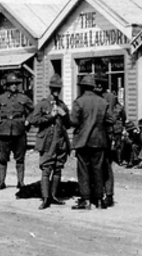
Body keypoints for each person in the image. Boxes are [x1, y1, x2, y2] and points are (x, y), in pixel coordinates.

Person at [70, 74, 114, 210]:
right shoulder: (102, 101)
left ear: (82, 87)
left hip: (83, 140)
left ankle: (86, 200)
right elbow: (111, 120)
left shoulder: (79, 102)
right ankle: (99, 200)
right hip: (100, 140)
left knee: (84, 170)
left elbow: (74, 121)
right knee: (98, 170)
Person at [27, 74, 70, 210]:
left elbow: (69, 124)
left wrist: (65, 115)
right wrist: (49, 117)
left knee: (58, 169)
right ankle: (45, 198)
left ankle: (54, 195)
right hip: (47, 142)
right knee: (46, 169)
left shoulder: (63, 105)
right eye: (54, 88)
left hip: (60, 142)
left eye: (59, 89)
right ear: (50, 89)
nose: (57, 91)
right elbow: (34, 120)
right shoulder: (42, 104)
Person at [0, 73, 34, 194]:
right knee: (3, 158)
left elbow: (34, 110)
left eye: (16, 84)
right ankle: (1, 182)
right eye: (11, 84)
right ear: (7, 86)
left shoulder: (23, 98)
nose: (14, 86)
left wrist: (28, 120)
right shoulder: (0, 98)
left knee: (20, 158)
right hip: (4, 131)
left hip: (19, 131)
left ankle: (21, 182)